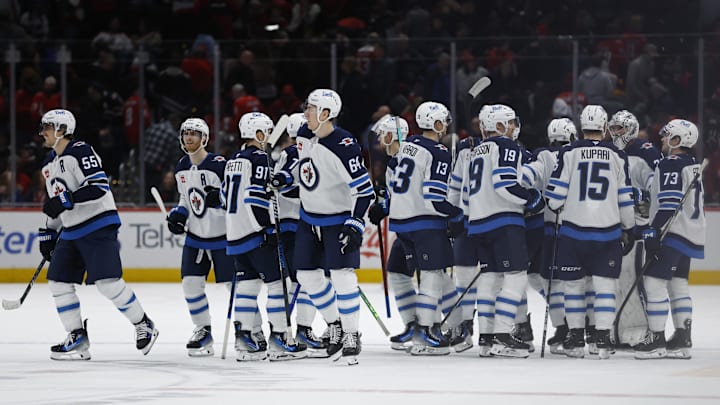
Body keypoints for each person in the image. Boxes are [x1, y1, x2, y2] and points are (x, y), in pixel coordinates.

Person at [37, 109, 159, 360]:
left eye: (47, 127)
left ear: (61, 129)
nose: (42, 132)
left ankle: (143, 323)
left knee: (108, 283)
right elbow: (56, 202)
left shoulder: (80, 150)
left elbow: (99, 186)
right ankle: (77, 336)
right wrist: (48, 230)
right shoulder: (48, 165)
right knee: (58, 282)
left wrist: (64, 200)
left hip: (97, 224)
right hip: (71, 231)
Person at [274, 89, 373, 365]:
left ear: (326, 114)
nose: (305, 113)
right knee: (305, 276)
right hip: (308, 218)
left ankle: (352, 333)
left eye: (311, 108)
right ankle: (336, 324)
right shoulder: (305, 134)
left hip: (336, 220)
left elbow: (365, 192)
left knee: (342, 276)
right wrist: (285, 179)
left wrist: (355, 224)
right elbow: (303, 170)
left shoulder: (344, 145)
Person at [545, 105, 635, 359]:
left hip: (573, 232)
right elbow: (625, 198)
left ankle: (575, 338)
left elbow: (553, 199)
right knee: (605, 287)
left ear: (582, 126)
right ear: (605, 127)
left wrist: (559, 201)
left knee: (573, 287)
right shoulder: (617, 155)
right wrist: (630, 227)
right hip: (607, 233)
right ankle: (603, 338)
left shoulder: (569, 152)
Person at [224, 112, 308, 362]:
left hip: (235, 234)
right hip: (256, 232)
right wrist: (268, 228)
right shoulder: (261, 159)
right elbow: (255, 197)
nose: (269, 137)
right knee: (277, 284)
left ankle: (244, 340)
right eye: (267, 132)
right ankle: (280, 339)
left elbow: (222, 198)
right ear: (259, 135)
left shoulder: (232, 160)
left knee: (247, 287)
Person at [464, 104, 544, 358]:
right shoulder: (507, 146)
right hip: (503, 220)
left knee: (490, 278)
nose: (513, 127)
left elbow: (467, 195)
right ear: (498, 126)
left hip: (478, 222)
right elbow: (505, 183)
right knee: (516, 276)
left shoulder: (475, 151)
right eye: (508, 122)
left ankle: (486, 337)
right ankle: (502, 335)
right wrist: (531, 197)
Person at [383, 101, 463, 356]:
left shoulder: (406, 146)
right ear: (437, 124)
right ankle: (425, 332)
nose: (446, 127)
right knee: (432, 275)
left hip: (401, 222)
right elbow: (434, 199)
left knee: (435, 275)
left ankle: (448, 326)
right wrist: (457, 214)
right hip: (425, 223)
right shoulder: (438, 151)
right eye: (444, 122)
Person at [634, 119, 705, 360]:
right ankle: (682, 339)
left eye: (667, 136)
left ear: (677, 140)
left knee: (653, 284)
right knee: (678, 285)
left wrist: (653, 229)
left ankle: (655, 340)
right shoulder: (692, 164)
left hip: (672, 232)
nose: (662, 140)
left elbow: (670, 203)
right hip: (690, 233)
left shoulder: (671, 164)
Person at [166, 117, 233, 357]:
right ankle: (202, 331)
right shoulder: (182, 166)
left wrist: (222, 198)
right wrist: (179, 214)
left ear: (204, 138)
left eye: (194, 133)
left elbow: (234, 195)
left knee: (235, 287)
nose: (189, 137)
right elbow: (186, 198)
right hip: (195, 237)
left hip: (223, 236)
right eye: (186, 133)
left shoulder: (219, 164)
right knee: (191, 284)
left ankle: (250, 331)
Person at [269, 112, 327, 357]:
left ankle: (293, 330)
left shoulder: (286, 154)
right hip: (297, 224)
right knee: (307, 277)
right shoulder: (297, 153)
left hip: (290, 224)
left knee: (301, 280)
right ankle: (299, 330)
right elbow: (292, 185)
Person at [521, 117, 576, 354]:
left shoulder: (541, 155)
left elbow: (523, 178)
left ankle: (564, 327)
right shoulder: (579, 153)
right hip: (576, 227)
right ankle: (581, 329)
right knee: (573, 282)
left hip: (548, 228)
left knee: (550, 281)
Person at [607, 110, 662, 347]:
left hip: (640, 223)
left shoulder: (645, 151)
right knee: (617, 280)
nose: (616, 133)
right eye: (614, 128)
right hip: (616, 224)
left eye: (620, 128)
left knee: (637, 279)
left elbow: (657, 186)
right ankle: (619, 330)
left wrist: (643, 195)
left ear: (631, 128)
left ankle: (642, 329)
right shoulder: (610, 153)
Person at [446, 105, 495, 354]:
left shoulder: (498, 149)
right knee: (464, 280)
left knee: (488, 280)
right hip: (470, 223)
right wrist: (452, 215)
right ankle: (464, 328)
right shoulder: (465, 150)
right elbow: (455, 187)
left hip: (484, 223)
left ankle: (487, 333)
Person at [366, 114, 417, 351]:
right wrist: (382, 206)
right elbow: (396, 195)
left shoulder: (412, 156)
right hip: (404, 227)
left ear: (392, 135)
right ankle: (414, 325)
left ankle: (450, 326)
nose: (379, 141)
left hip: (420, 226)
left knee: (433, 279)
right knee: (396, 271)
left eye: (382, 135)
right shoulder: (393, 163)